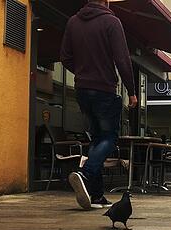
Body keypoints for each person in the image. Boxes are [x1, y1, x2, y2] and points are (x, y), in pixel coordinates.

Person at [61, 0, 138, 210]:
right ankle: (84, 175)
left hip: (82, 90)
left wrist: (82, 72)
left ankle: (96, 195)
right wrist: (132, 92)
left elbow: (65, 57)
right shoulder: (111, 22)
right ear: (106, 1)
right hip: (104, 89)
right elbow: (122, 59)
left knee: (96, 139)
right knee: (109, 138)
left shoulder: (73, 22)